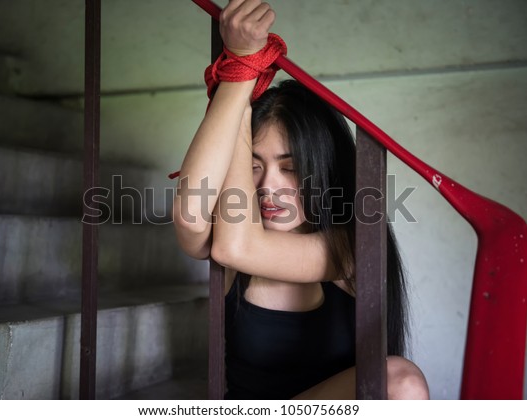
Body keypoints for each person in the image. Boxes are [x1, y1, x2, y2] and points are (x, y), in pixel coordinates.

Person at [173, 0, 429, 399]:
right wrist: (240, 78)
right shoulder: (226, 239)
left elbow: (238, 246)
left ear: (325, 170)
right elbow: (191, 216)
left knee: (401, 381)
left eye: (289, 167)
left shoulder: (350, 246)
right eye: (253, 165)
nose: (267, 187)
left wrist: (243, 62)